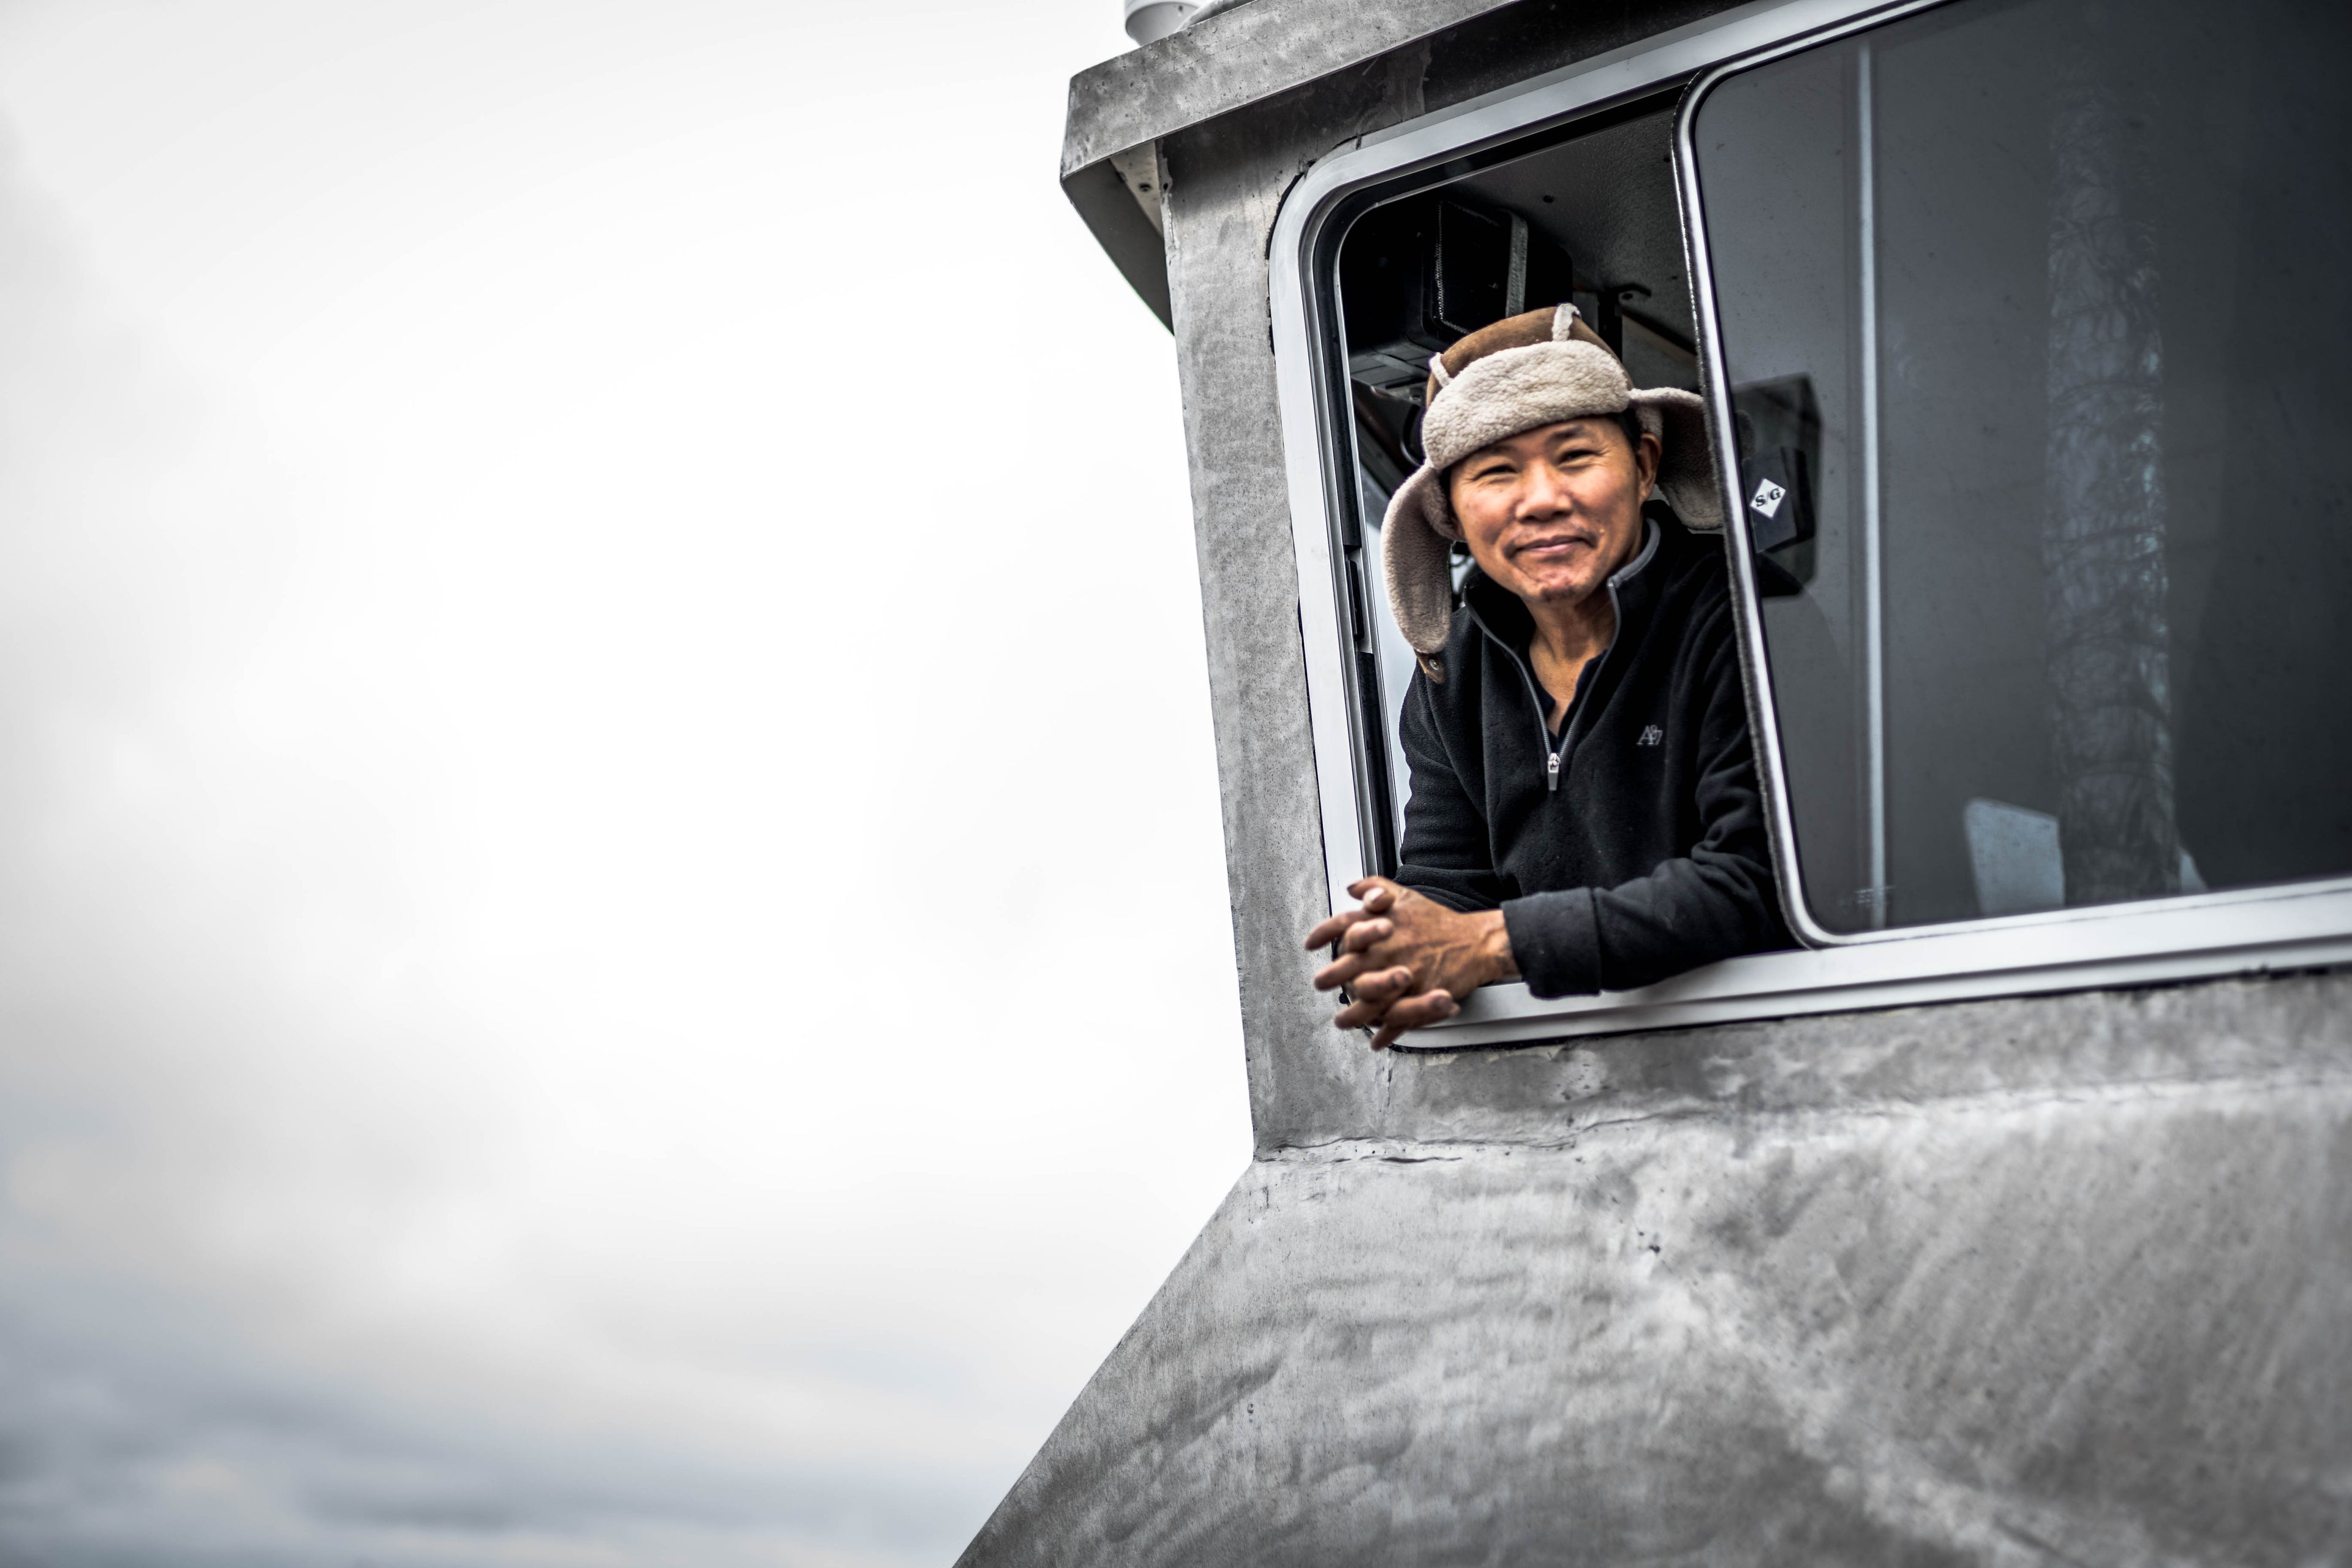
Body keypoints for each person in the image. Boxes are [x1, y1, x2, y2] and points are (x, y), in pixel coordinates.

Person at [1305, 303, 1787, 1047]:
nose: (1542, 500)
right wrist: (1391, 954)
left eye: (1575, 456)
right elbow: (1446, 889)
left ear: (1645, 467)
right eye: (1497, 472)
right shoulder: (1452, 674)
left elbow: (1756, 880)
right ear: (1452, 517)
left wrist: (1493, 945)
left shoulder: (1747, 618)